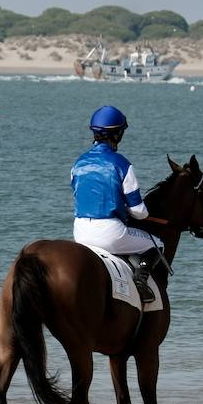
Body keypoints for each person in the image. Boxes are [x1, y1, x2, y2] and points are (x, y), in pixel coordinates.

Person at [70, 106, 164, 303]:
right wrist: (141, 214)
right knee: (158, 244)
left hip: (80, 232)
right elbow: (138, 212)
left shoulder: (78, 163)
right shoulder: (122, 164)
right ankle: (140, 281)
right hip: (110, 233)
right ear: (118, 134)